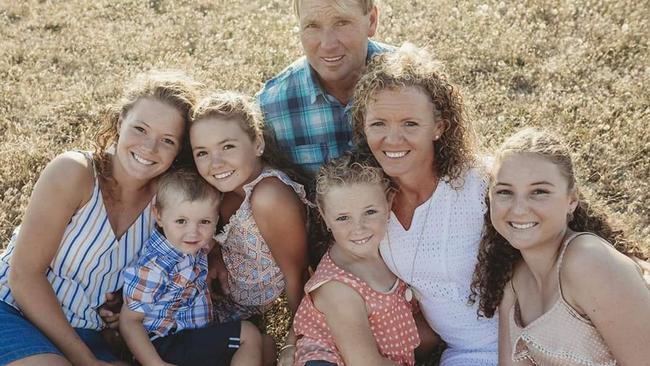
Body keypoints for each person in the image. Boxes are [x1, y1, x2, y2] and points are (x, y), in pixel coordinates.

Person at [0, 70, 199, 365]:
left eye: (167, 140)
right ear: (120, 122)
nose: (149, 147)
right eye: (140, 129)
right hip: (14, 311)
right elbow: (24, 277)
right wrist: (87, 361)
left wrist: (119, 306)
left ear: (178, 151)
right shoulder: (74, 173)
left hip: (86, 332)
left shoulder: (167, 204)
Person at [350, 43, 498, 365]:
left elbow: (563, 222)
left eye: (410, 124)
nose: (392, 139)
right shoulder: (372, 201)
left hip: (520, 342)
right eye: (378, 124)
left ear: (439, 127)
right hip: (463, 354)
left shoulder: (478, 182)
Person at [469, 128, 650, 365]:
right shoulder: (513, 283)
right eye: (504, 192)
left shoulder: (588, 261)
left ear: (571, 200)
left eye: (539, 192)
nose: (519, 209)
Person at [190, 91, 310, 362]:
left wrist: (296, 339)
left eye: (228, 147)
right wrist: (217, 254)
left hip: (243, 312)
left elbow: (298, 274)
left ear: (257, 143)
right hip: (222, 300)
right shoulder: (220, 189)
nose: (216, 163)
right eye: (202, 153)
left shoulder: (269, 197)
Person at [119, 168, 263, 366]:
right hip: (164, 345)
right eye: (181, 221)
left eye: (204, 221)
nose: (193, 232)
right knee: (248, 334)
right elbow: (129, 321)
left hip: (192, 338)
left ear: (215, 220)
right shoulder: (155, 266)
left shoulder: (191, 245)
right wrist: (155, 364)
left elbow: (210, 243)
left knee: (267, 347)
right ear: (159, 216)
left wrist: (216, 253)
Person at [292, 151, 420, 366]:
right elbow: (365, 363)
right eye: (343, 218)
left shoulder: (391, 249)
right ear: (324, 216)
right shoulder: (338, 287)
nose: (358, 229)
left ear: (389, 202)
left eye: (370, 212)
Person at [257, 0, 391, 176]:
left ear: (372, 21)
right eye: (312, 25)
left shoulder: (417, 86)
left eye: (342, 23)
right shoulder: (269, 109)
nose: (328, 45)